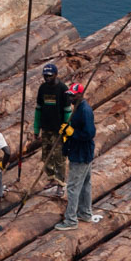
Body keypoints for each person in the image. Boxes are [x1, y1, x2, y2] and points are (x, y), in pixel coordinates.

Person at [53, 82, 98, 230]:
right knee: (85, 184)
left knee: (73, 187)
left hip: (81, 154)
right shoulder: (77, 108)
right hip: (79, 151)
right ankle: (85, 213)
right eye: (70, 95)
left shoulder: (85, 110)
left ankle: (71, 220)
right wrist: (67, 131)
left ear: (80, 94)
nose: (70, 98)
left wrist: (73, 133)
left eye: (73, 95)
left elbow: (90, 133)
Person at [33, 62, 71, 198]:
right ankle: (51, 178)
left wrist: (66, 127)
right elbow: (38, 109)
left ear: (55, 75)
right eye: (45, 76)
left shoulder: (62, 89)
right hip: (46, 127)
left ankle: (60, 183)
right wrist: (36, 128)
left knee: (59, 157)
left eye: (49, 75)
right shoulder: (42, 88)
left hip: (58, 129)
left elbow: (67, 111)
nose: (47, 78)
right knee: (46, 155)